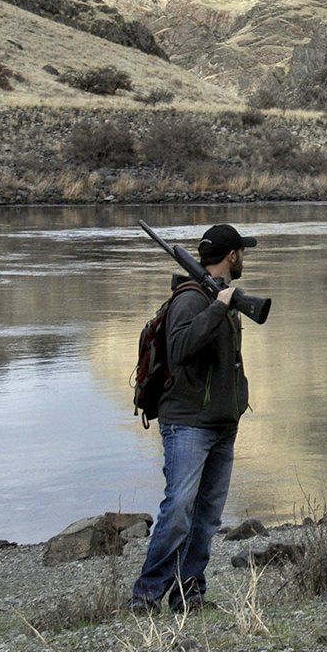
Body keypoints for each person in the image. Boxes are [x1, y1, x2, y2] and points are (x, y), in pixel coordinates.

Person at [129, 222, 256, 612]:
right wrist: (219, 308)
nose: (244, 258)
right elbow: (181, 346)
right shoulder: (191, 298)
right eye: (242, 252)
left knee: (206, 516)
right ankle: (147, 594)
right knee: (179, 508)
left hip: (221, 421)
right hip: (187, 423)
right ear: (231, 256)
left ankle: (189, 591)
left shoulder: (222, 296)